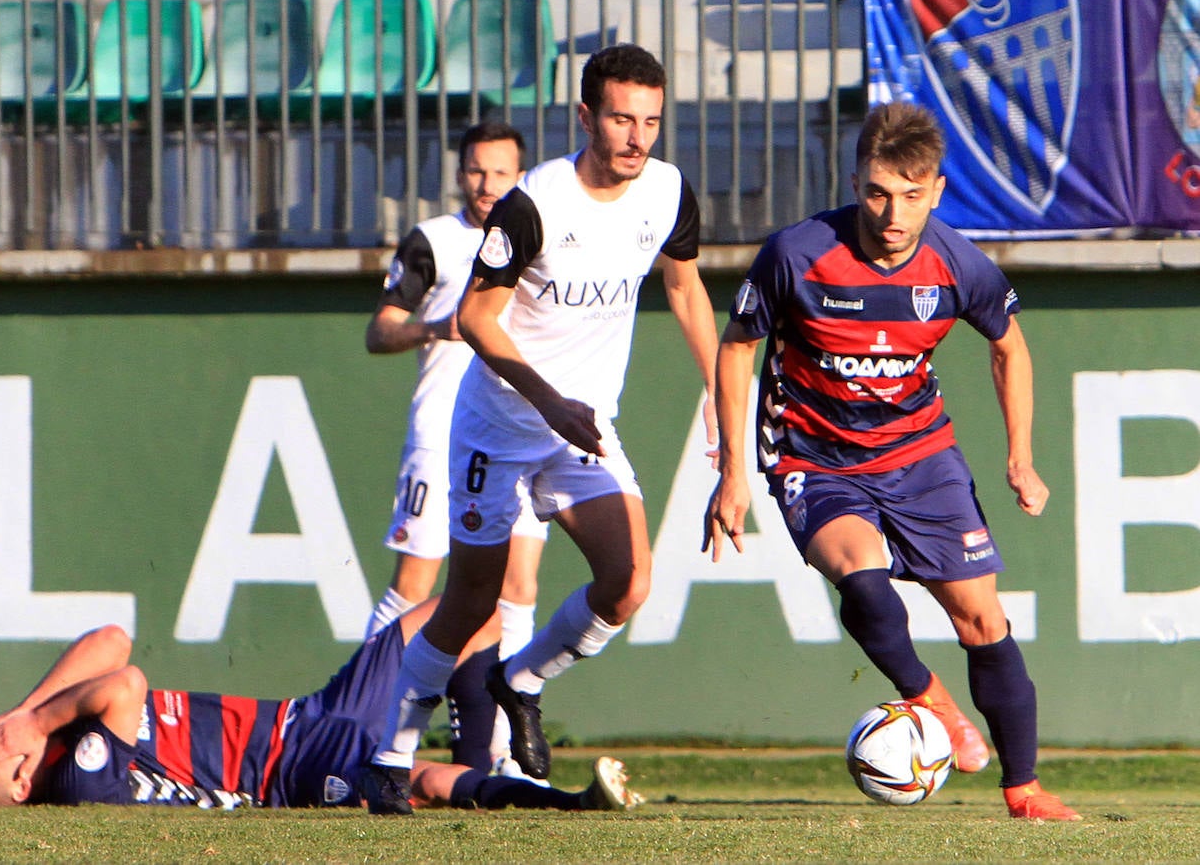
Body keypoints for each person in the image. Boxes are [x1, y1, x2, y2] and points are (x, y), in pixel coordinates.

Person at [362, 43, 719, 815]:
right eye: (621, 118)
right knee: (469, 601)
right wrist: (548, 400)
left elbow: (686, 287)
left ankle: (520, 681)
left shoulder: (666, 192)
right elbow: (474, 319)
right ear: (586, 116)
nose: (637, 138)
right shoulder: (535, 204)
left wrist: (721, 394)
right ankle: (388, 758)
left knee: (628, 584)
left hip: (581, 428)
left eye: (651, 121)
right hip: (498, 425)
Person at [703, 102, 1079, 821]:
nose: (892, 212)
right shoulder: (798, 253)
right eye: (877, 192)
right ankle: (927, 696)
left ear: (936, 189)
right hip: (815, 454)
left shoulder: (957, 263)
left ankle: (1023, 790)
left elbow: (1009, 345)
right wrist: (732, 476)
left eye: (911, 194)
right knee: (864, 581)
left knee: (982, 619)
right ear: (854, 182)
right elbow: (737, 345)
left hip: (919, 452)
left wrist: (1021, 459)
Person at [0, 601, 640, 813]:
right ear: (19, 785)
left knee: (471, 611)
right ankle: (554, 802)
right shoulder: (80, 779)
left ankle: (494, 761)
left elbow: (109, 638)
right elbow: (126, 679)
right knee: (408, 782)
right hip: (283, 772)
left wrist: (21, 714)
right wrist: (37, 723)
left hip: (302, 717)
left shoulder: (45, 729)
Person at [363, 122, 550, 777]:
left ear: (520, 175)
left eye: (501, 172)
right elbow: (378, 331)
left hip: (517, 433)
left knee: (518, 587)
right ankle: (360, 718)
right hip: (443, 433)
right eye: (475, 170)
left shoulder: (537, 235)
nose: (487, 185)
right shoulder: (436, 242)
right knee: (417, 580)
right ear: (460, 173)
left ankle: (504, 750)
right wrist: (437, 326)